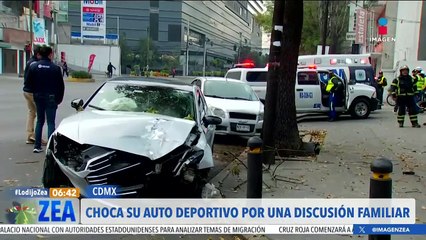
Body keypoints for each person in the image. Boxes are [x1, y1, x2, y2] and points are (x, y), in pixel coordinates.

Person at [26, 46, 65, 153]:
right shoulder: (55, 68)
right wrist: (59, 99)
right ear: (50, 54)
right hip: (51, 97)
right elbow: (60, 86)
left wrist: (35, 93)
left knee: (40, 121)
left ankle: (37, 146)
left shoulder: (34, 67)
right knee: (51, 122)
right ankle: (50, 147)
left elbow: (28, 83)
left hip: (38, 97)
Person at [23, 45, 41, 144]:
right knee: (40, 113)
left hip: (26, 90)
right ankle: (35, 136)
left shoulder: (30, 61)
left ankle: (30, 135)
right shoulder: (35, 64)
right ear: (38, 54)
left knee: (31, 112)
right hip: (32, 92)